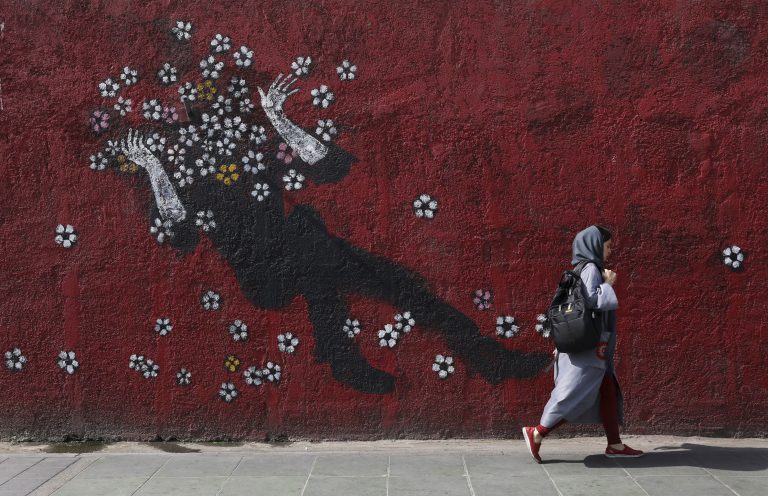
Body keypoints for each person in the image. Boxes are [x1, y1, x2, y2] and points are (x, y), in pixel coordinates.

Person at [117, 74, 551, 394]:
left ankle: (483, 358)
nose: (213, 128)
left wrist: (279, 119)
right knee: (315, 249)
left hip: (309, 252)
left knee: (398, 284)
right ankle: (341, 355)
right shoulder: (189, 178)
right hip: (266, 277)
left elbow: (327, 165)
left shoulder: (253, 158)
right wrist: (155, 168)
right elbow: (179, 232)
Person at [522, 225, 644, 461]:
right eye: (607, 247)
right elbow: (592, 300)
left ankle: (615, 445)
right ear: (595, 246)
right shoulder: (590, 268)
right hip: (590, 347)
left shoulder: (580, 267)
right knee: (575, 394)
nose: (609, 252)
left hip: (593, 345)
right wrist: (608, 283)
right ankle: (537, 432)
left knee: (606, 389)